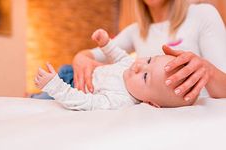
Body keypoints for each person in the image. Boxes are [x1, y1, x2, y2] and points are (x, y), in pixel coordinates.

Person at [71, 0, 226, 102]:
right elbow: (94, 53)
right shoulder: (135, 31)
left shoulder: (202, 14)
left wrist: (208, 70)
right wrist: (79, 58)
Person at [34, 29, 196, 110]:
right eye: (149, 60)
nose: (139, 66)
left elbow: (86, 102)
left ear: (150, 103)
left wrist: (54, 86)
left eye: (145, 77)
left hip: (68, 88)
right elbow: (118, 55)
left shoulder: (121, 100)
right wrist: (106, 43)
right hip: (71, 71)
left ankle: (35, 96)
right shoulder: (130, 65)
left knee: (36, 103)